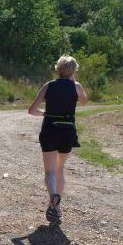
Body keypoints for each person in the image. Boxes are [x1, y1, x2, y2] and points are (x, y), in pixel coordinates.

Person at [28, 55, 88, 224]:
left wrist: (45, 114)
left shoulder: (49, 85)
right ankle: (56, 206)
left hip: (49, 130)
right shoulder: (76, 87)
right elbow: (84, 101)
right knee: (60, 169)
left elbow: (32, 110)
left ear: (57, 69)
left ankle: (53, 197)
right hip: (67, 131)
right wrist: (73, 81)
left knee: (50, 172)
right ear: (74, 70)